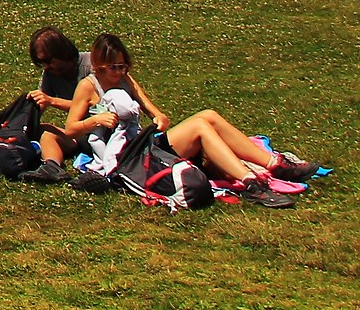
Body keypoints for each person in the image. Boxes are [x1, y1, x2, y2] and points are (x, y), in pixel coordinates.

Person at [61, 33, 319, 204]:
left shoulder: (125, 80)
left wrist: (159, 118)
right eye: (114, 67)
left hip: (144, 145)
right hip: (125, 159)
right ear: (99, 65)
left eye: (123, 66)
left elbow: (153, 110)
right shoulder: (88, 86)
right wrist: (95, 121)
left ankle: (275, 166)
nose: (119, 72)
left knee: (208, 116)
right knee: (200, 126)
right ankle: (251, 184)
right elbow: (70, 129)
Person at [18, 26, 90, 182]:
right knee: (43, 131)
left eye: (48, 61)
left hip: (103, 134)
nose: (46, 67)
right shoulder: (51, 73)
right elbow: (41, 103)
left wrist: (52, 101)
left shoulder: (91, 65)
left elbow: (96, 108)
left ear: (63, 52)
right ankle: (52, 167)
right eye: (41, 63)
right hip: (79, 134)